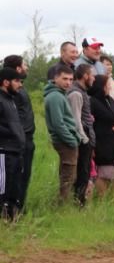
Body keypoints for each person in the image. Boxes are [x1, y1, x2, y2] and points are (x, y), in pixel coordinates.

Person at [2, 56, 36, 216]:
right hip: (7, 148)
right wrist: (16, 134)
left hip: (19, 145)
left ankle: (15, 213)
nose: (20, 85)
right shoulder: (5, 97)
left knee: (18, 182)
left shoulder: (13, 95)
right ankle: (8, 214)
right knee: (7, 186)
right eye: (17, 81)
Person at [43, 64, 81, 202]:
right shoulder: (55, 97)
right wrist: (71, 140)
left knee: (69, 174)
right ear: (55, 78)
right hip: (64, 141)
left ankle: (63, 202)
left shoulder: (59, 94)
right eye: (65, 79)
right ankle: (61, 205)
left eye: (71, 79)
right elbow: (58, 124)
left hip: (67, 139)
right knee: (68, 176)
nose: (68, 82)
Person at [89, 69, 114, 198]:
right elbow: (92, 123)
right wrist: (109, 129)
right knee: (103, 172)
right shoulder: (93, 102)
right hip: (101, 142)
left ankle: (112, 200)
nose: (109, 86)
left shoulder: (110, 100)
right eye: (106, 84)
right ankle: (102, 199)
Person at [0, 67, 26, 220]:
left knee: (13, 189)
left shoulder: (10, 99)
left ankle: (11, 221)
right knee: (2, 190)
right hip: (3, 152)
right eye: (17, 81)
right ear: (5, 82)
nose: (20, 84)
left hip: (15, 151)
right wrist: (11, 133)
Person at [68, 63, 96, 204]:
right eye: (92, 76)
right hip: (82, 139)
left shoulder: (83, 92)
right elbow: (76, 120)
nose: (94, 79)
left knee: (85, 173)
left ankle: (80, 202)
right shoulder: (76, 93)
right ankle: (78, 203)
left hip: (86, 137)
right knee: (81, 173)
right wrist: (85, 140)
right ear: (85, 76)